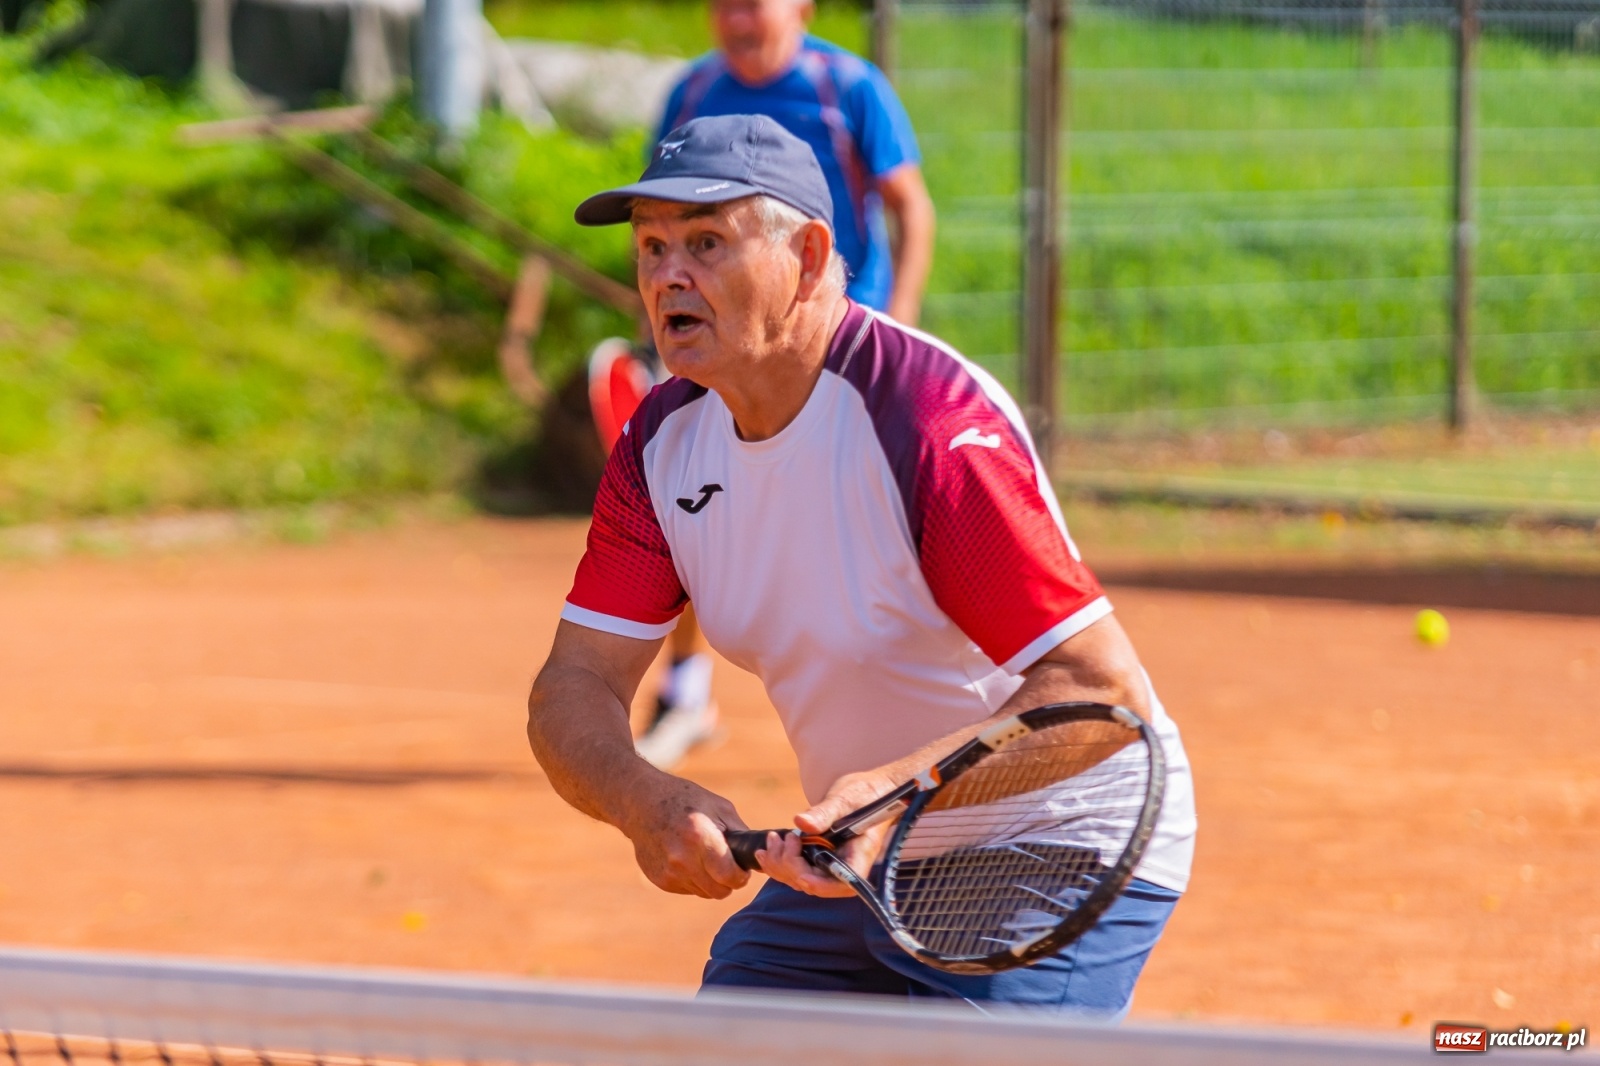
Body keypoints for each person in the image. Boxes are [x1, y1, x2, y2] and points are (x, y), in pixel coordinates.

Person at [527, 114, 1195, 1012]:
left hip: (1060, 834)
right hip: (864, 855)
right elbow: (573, 683)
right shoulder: (661, 445)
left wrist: (896, 791)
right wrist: (641, 797)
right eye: (650, 247)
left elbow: (1101, 696)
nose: (667, 276)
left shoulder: (925, 423)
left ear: (807, 256)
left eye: (707, 243)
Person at [617, 0, 937, 770]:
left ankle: (908, 702)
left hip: (838, 337)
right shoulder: (691, 93)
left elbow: (910, 208)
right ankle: (687, 689)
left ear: (801, 6)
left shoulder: (849, 86)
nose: (735, 17)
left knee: (864, 521)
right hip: (730, 345)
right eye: (721, 3)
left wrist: (898, 322)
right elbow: (657, 213)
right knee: (692, 509)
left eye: (752, 1)